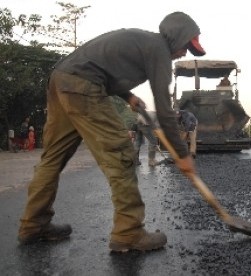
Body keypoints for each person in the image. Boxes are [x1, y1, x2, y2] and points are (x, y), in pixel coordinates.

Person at [17, 11, 205, 253]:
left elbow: (104, 68)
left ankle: (33, 224)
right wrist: (182, 155)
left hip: (61, 79)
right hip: (83, 85)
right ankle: (129, 233)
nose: (184, 53)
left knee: (52, 159)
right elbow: (165, 109)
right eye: (185, 47)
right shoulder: (159, 50)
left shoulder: (142, 41)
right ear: (175, 37)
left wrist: (128, 95)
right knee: (121, 153)